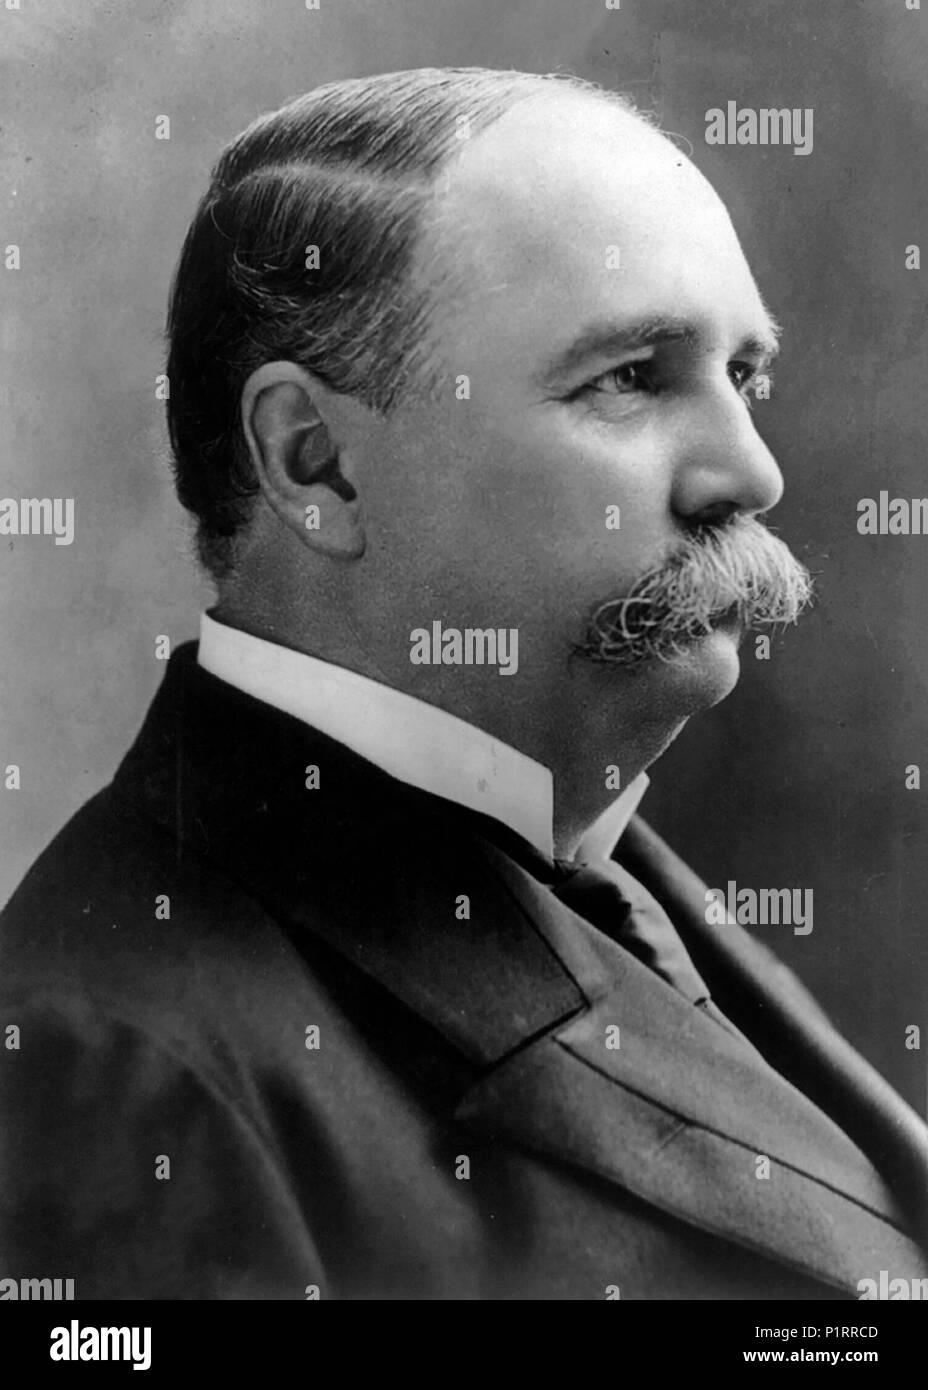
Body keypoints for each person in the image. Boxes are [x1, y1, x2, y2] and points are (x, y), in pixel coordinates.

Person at [2, 67, 925, 1300]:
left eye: (741, 376)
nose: (748, 471)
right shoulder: (119, 1065)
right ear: (314, 463)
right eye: (632, 377)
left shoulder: (601, 862)